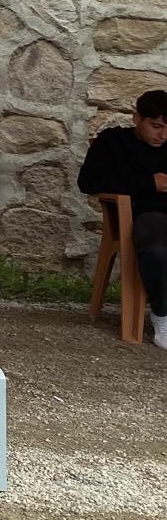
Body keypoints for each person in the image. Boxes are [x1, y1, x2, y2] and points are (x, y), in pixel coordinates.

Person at [79, 89, 167, 349]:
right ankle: (163, 316)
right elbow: (88, 182)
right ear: (137, 118)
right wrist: (149, 183)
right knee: (158, 246)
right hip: (142, 218)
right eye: (156, 126)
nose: (163, 135)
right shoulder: (114, 143)